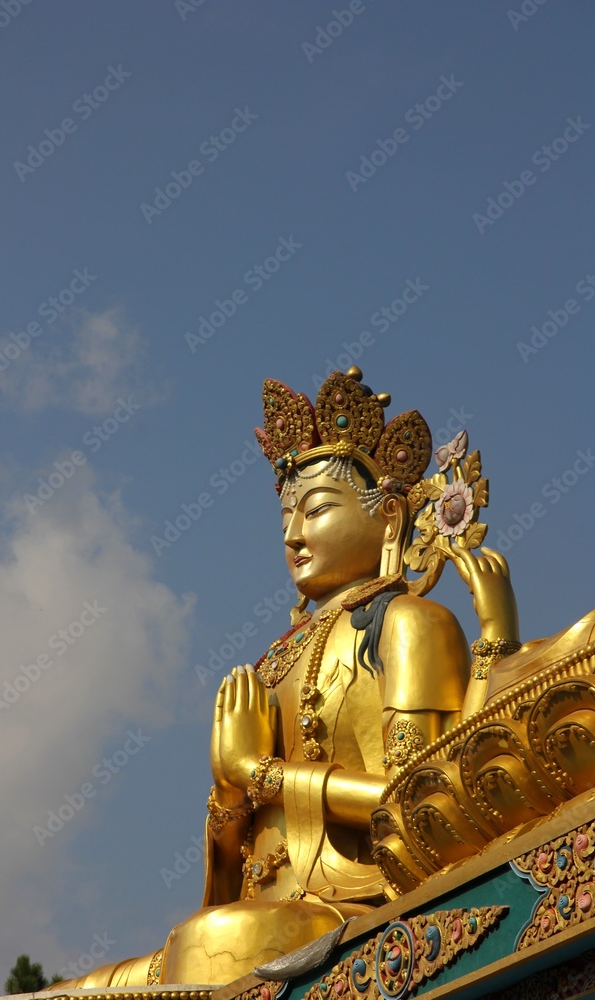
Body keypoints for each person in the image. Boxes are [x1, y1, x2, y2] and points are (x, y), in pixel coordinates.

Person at [53, 368, 518, 988]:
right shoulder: (272, 664)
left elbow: (412, 806)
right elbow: (229, 885)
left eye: (318, 509)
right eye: (284, 519)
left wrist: (259, 775)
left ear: (389, 520)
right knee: (77, 988)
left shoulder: (407, 623)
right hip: (260, 921)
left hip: (355, 908)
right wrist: (228, 795)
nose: (294, 535)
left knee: (214, 941)